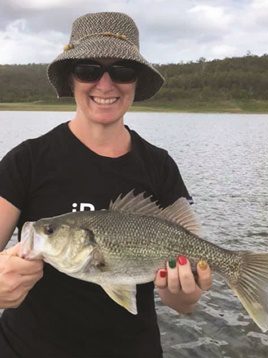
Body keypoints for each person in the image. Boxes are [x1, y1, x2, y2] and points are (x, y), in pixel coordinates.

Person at [0, 12, 212, 357]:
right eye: (88, 70)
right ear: (72, 79)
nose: (105, 84)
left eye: (122, 71)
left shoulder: (159, 165)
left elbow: (182, 303)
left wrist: (185, 293)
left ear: (135, 83)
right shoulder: (27, 160)